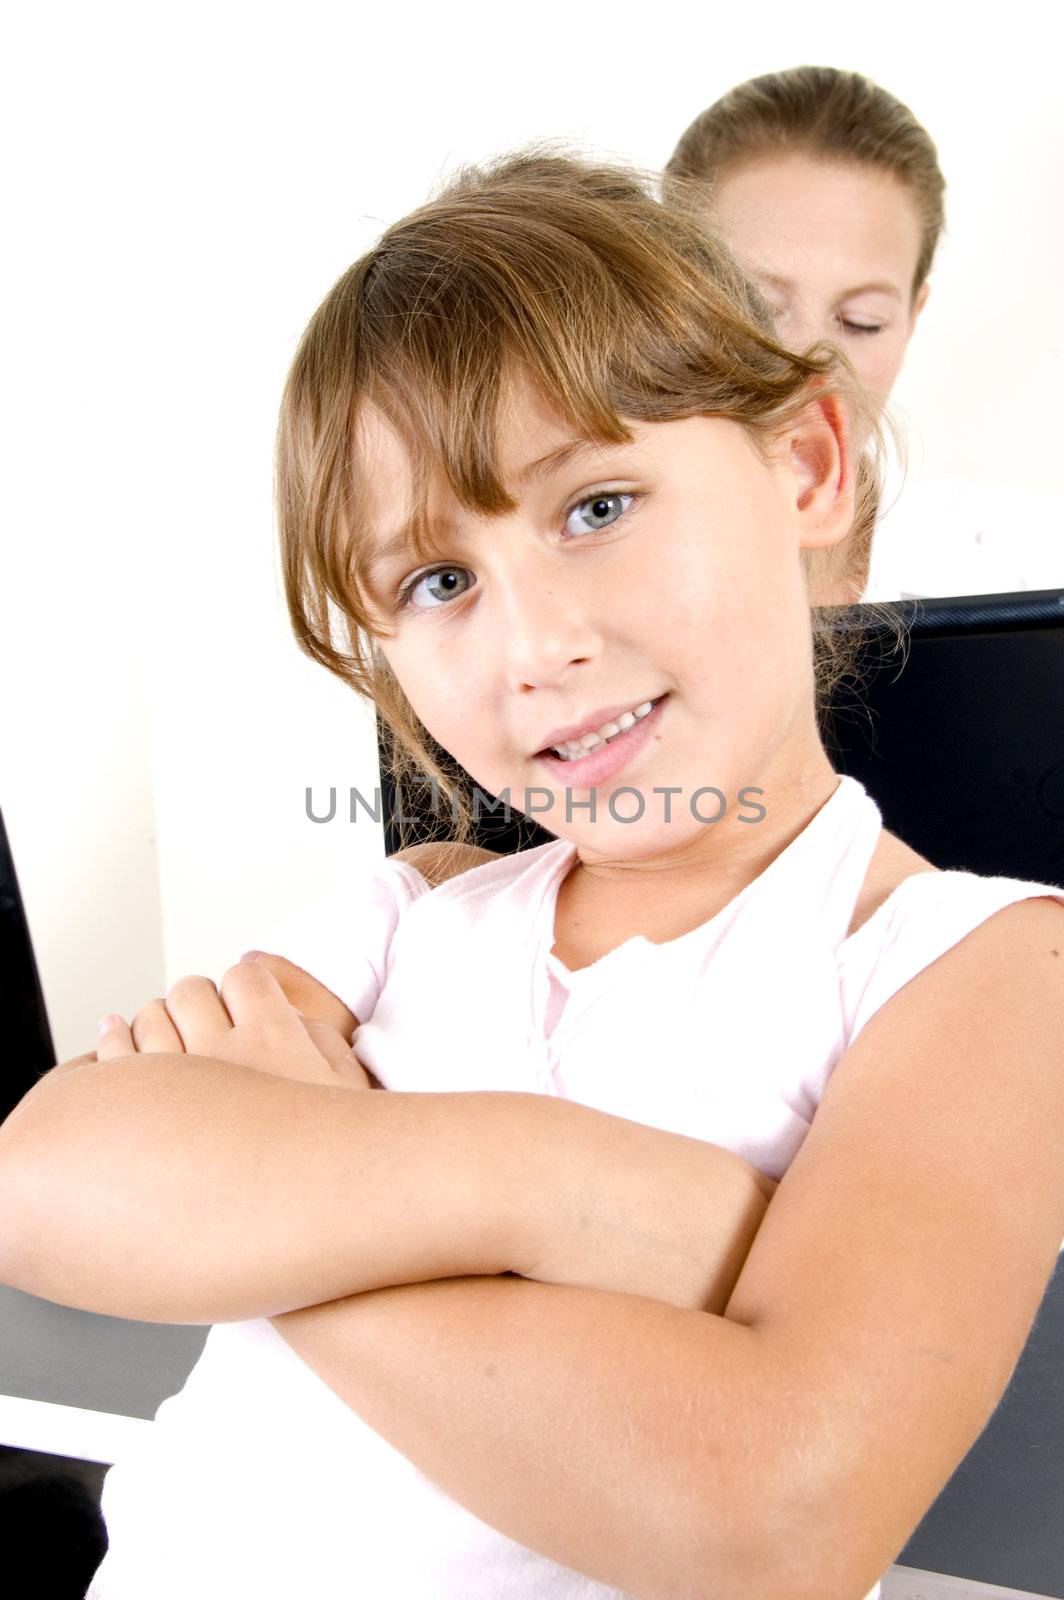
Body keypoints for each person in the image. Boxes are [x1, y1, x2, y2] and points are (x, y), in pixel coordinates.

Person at [2, 147, 1064, 1600]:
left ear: (807, 464)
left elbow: (772, 1516)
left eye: (597, 508)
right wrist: (563, 1192)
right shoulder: (422, 901)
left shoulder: (976, 967)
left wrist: (286, 1198)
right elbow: (43, 1181)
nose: (535, 645)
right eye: (439, 583)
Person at [665, 66, 1061, 603]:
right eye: (755, 306)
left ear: (910, 321)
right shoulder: (565, 566)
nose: (809, 361)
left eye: (862, 322)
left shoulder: (1031, 569)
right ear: (665, 295)